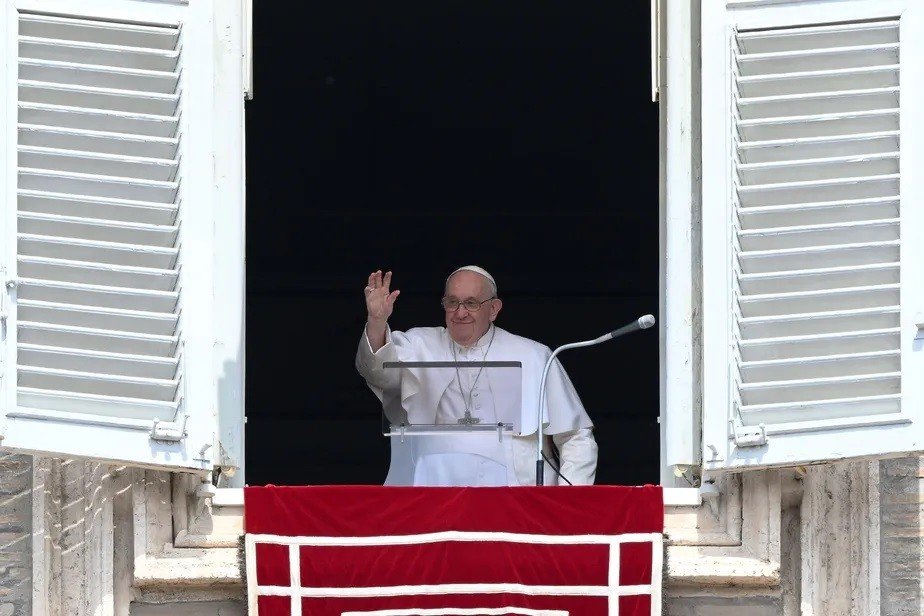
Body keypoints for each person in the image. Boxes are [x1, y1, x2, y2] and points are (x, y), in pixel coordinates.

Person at [356, 266, 598, 486]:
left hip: (518, 499)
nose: (460, 313)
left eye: (471, 303)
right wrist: (376, 322)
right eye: (452, 302)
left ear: (493, 309)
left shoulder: (534, 354)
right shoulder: (419, 344)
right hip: (433, 496)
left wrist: (567, 502)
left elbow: (575, 437)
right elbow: (376, 371)